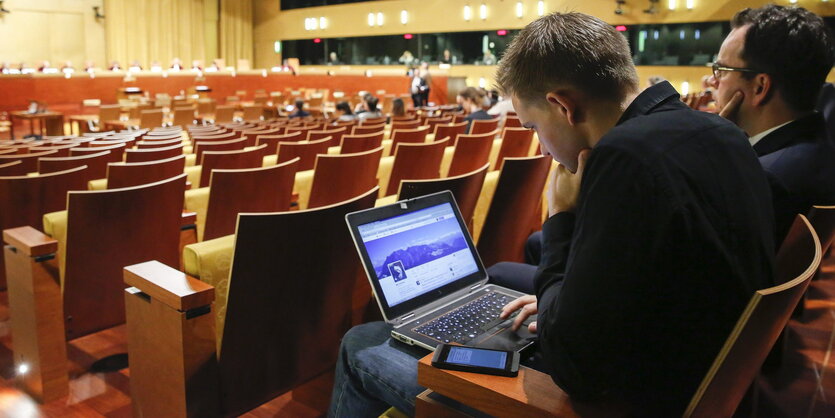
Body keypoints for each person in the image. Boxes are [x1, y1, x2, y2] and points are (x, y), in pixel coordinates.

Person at [329, 12, 774, 417]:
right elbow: (647, 276)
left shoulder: (624, 159)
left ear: (563, 106)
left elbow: (573, 369)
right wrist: (564, 300)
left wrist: (560, 217)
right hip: (691, 368)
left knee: (361, 343)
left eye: (534, 126)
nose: (541, 146)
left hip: (629, 399)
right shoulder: (718, 128)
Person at [712, 4, 835, 243]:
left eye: (722, 69)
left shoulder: (764, 179)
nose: (712, 80)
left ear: (760, 87)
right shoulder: (821, 151)